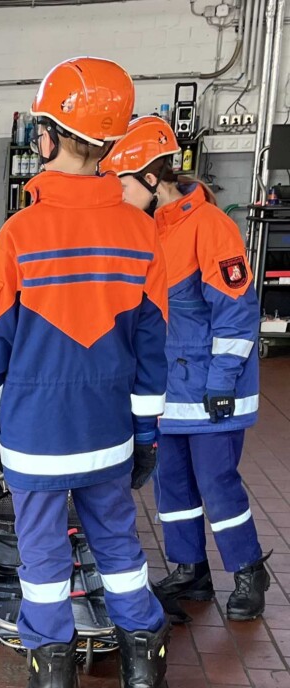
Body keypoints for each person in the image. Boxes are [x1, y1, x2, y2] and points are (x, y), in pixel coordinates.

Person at [0, 57, 170, 688]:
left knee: (44, 559)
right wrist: (145, 437)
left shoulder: (20, 234)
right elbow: (152, 352)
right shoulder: (143, 234)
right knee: (120, 548)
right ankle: (144, 679)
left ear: (48, 136)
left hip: (33, 439)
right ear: (108, 144)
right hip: (108, 435)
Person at [102, 116, 269, 621]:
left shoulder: (210, 226)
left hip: (213, 391)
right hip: (168, 391)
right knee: (171, 484)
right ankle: (190, 570)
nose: (118, 193)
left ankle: (247, 572)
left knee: (217, 483)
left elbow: (237, 310)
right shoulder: (150, 229)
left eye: (123, 183)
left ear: (152, 179)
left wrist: (221, 380)